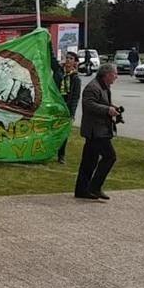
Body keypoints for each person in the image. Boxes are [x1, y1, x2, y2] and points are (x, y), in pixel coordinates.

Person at [74, 63, 120, 201]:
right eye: (114, 74)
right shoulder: (93, 87)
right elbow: (89, 104)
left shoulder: (104, 86)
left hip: (100, 129)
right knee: (110, 157)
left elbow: (101, 102)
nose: (116, 77)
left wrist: (112, 107)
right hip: (96, 131)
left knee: (90, 160)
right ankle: (94, 186)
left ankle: (82, 189)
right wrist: (107, 110)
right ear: (107, 74)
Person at [56, 51, 82, 164]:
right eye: (67, 58)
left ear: (75, 62)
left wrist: (72, 113)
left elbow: (75, 97)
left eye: (71, 58)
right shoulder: (59, 72)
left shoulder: (75, 78)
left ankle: (61, 155)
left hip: (66, 106)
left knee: (63, 133)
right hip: (55, 105)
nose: (68, 60)